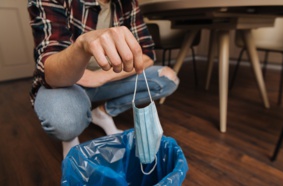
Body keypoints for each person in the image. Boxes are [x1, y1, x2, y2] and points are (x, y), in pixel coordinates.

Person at [27, 0, 179, 158]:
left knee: (167, 78)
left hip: (104, 78)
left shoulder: (127, 3)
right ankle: (71, 137)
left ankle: (103, 113)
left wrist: (100, 77)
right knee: (65, 121)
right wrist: (82, 46)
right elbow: (50, 70)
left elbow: (147, 55)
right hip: (66, 82)